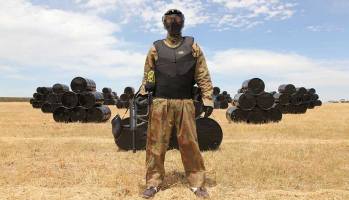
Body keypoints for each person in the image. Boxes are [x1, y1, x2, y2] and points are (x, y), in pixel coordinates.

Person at [139, 9, 214, 199]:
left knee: (190, 144)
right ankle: (153, 183)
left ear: (183, 22)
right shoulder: (155, 47)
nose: (173, 22)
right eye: (169, 19)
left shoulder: (192, 46)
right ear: (164, 23)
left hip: (185, 103)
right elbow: (149, 72)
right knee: (156, 144)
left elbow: (202, 74)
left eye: (177, 19)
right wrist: (144, 90)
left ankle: (197, 184)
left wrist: (207, 98)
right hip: (160, 103)